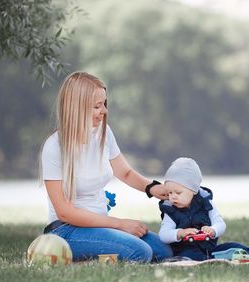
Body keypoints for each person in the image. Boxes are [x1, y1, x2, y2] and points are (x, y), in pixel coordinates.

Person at [41, 71, 173, 263]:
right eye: (97, 106)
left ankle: (101, 254)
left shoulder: (103, 132)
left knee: (164, 251)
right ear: (77, 107)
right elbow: (65, 212)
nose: (104, 111)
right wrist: (120, 225)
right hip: (66, 230)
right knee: (140, 252)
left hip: (100, 225)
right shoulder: (54, 147)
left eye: (104, 104)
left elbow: (125, 172)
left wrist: (152, 188)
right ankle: (85, 261)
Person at [158, 157, 249, 261]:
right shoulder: (170, 210)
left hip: (210, 248)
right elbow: (163, 235)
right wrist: (180, 233)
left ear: (194, 190)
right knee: (191, 256)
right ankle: (211, 260)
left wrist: (213, 230)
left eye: (178, 193)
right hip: (186, 250)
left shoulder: (205, 202)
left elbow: (220, 224)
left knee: (233, 246)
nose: (173, 197)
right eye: (170, 193)